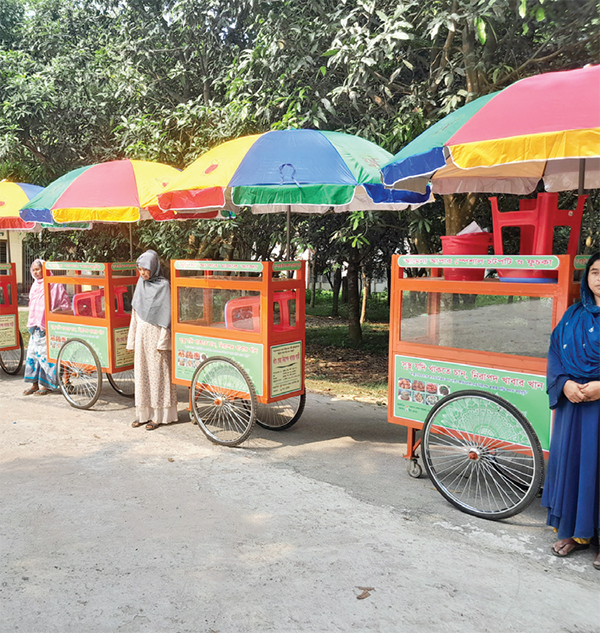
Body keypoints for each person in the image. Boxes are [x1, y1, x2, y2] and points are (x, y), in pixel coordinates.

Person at [542, 252, 600, 570]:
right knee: (574, 466)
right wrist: (563, 384)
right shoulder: (573, 315)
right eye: (594, 271)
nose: (599, 278)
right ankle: (574, 533)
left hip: (598, 405)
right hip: (573, 407)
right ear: (586, 278)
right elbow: (555, 352)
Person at [126, 250, 178, 430]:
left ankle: (159, 416)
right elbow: (135, 312)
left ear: (154, 267)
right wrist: (131, 339)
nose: (143, 273)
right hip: (141, 336)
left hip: (156, 337)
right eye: (140, 269)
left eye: (146, 270)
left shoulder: (164, 286)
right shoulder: (140, 284)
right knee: (142, 375)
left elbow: (167, 316)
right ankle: (143, 414)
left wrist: (164, 341)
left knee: (158, 375)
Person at [23, 259, 70, 395]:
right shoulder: (34, 285)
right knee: (33, 355)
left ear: (45, 269)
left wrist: (57, 310)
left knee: (45, 356)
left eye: (39, 269)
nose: (36, 272)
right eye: (34, 270)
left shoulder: (54, 284)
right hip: (35, 326)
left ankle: (46, 386)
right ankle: (34, 384)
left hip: (48, 326)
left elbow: (65, 303)